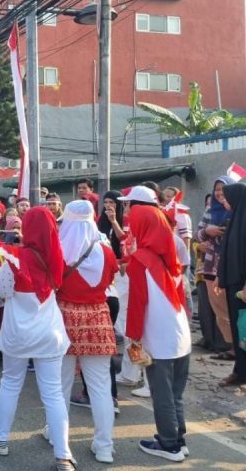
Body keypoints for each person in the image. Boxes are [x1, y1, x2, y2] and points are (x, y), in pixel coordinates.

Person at [0, 207, 74, 471]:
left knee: (11, 383)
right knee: (54, 393)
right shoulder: (56, 256)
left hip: (18, 333)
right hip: (50, 332)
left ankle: (1, 438)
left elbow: (0, 291)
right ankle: (63, 455)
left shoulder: (15, 257)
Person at [120, 187, 191, 462]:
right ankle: (179, 439)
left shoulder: (141, 260)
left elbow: (137, 304)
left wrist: (133, 337)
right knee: (175, 394)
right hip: (180, 334)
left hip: (160, 339)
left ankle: (169, 444)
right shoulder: (169, 256)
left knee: (162, 394)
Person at [56, 200, 118, 463]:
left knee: (60, 385)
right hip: (98, 319)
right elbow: (111, 279)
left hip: (64, 320)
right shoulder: (106, 251)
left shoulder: (59, 250)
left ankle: (57, 436)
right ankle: (104, 446)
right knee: (101, 388)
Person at [197, 176, 237, 361]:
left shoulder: (239, 210)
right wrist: (207, 232)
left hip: (233, 267)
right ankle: (233, 346)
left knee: (236, 307)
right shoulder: (210, 210)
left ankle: (239, 346)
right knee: (220, 310)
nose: (220, 193)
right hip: (211, 267)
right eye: (217, 189)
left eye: (223, 189)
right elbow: (198, 235)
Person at [218, 181, 246, 386]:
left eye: (227, 199)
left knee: (243, 329)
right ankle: (240, 371)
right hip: (234, 283)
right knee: (239, 330)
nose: (224, 202)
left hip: (242, 285)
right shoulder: (236, 219)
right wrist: (221, 276)